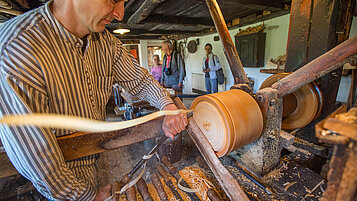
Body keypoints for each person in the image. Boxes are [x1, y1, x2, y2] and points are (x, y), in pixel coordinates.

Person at [0, 0, 187, 200]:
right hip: (47, 189)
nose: (120, 14)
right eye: (113, 0)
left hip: (89, 169)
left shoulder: (104, 41)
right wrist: (86, 196)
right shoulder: (18, 48)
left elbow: (139, 81)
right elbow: (34, 154)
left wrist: (167, 106)